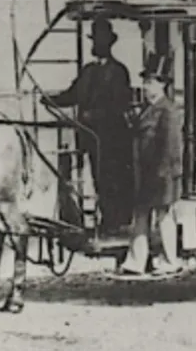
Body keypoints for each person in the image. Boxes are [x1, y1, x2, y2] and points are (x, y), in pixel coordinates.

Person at [45, 18, 134, 235]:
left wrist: (92, 115)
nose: (94, 45)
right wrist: (51, 99)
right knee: (98, 179)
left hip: (113, 138)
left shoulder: (119, 71)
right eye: (93, 40)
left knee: (113, 180)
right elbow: (72, 94)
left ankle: (115, 223)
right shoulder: (88, 71)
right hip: (91, 137)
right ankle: (106, 220)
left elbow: (119, 104)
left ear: (108, 44)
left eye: (98, 41)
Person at [116, 54, 185, 278]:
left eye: (150, 82)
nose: (145, 87)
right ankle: (136, 261)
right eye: (145, 82)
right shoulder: (149, 108)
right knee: (142, 216)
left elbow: (172, 146)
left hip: (159, 174)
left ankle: (170, 260)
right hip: (145, 174)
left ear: (162, 85)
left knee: (164, 217)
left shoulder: (168, 110)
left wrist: (164, 173)